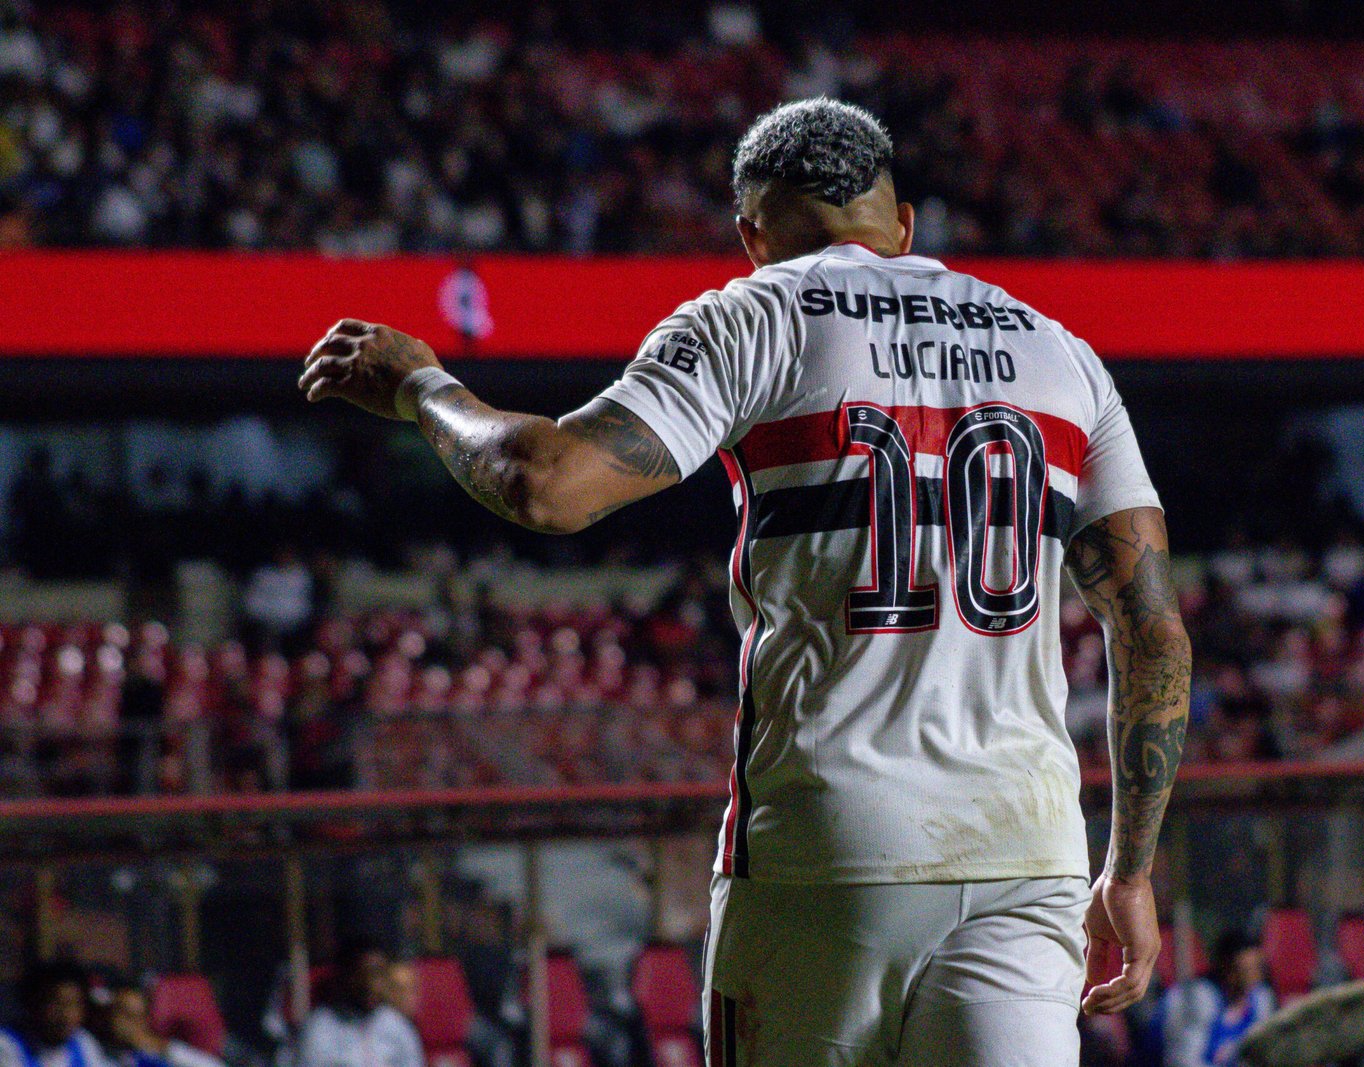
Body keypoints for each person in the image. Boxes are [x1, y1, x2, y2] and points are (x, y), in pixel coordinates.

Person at [300, 96, 1191, 1066]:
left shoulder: (759, 312)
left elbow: (545, 484)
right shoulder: (1057, 352)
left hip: (825, 852)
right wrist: (1129, 871)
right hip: (1030, 858)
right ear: (901, 227)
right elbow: (1152, 631)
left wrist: (422, 385)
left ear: (751, 235)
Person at [1157, 931, 1276, 1067]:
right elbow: (1182, 1062)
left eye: (1256, 970)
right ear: (1225, 967)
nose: (1251, 979)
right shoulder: (1199, 998)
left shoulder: (1260, 999)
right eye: (1243, 970)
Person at [292, 945, 422, 1067]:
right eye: (363, 975)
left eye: (379, 975)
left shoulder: (397, 1025)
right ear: (345, 977)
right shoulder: (320, 1028)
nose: (372, 985)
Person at [1, 961, 115, 1067]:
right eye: (57, 1004)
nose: (66, 1015)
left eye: (74, 1004)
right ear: (34, 1004)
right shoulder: (7, 1045)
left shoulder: (82, 1042)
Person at [92, 981, 224, 1067]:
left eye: (139, 1017)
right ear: (110, 1014)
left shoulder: (157, 1053)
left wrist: (164, 1048)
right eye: (126, 1015)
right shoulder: (93, 1050)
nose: (133, 1024)